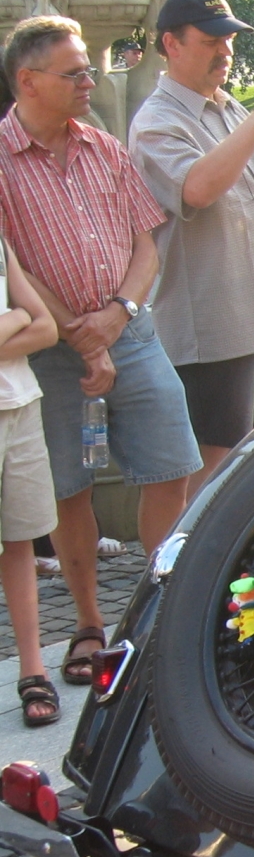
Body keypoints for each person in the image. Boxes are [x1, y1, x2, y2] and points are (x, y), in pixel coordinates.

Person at [1, 15, 205, 682]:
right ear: (28, 82)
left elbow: (146, 241)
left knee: (171, 467)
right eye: (75, 72)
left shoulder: (103, 147)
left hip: (132, 335)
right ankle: (89, 624)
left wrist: (117, 317)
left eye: (90, 68)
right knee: (70, 488)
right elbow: (13, 271)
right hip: (50, 354)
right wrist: (78, 335)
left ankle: (158, 609)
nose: (92, 80)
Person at [128, 0, 254, 497]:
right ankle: (196, 570)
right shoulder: (158, 120)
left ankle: (251, 569)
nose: (226, 50)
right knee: (215, 470)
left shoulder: (229, 107)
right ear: (171, 44)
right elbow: (198, 188)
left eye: (231, 38)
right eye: (212, 39)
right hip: (215, 327)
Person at [0, 239, 63, 725]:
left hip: (21, 404)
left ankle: (33, 669)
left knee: (20, 540)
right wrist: (17, 318)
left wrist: (20, 320)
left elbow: (44, 326)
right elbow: (28, 317)